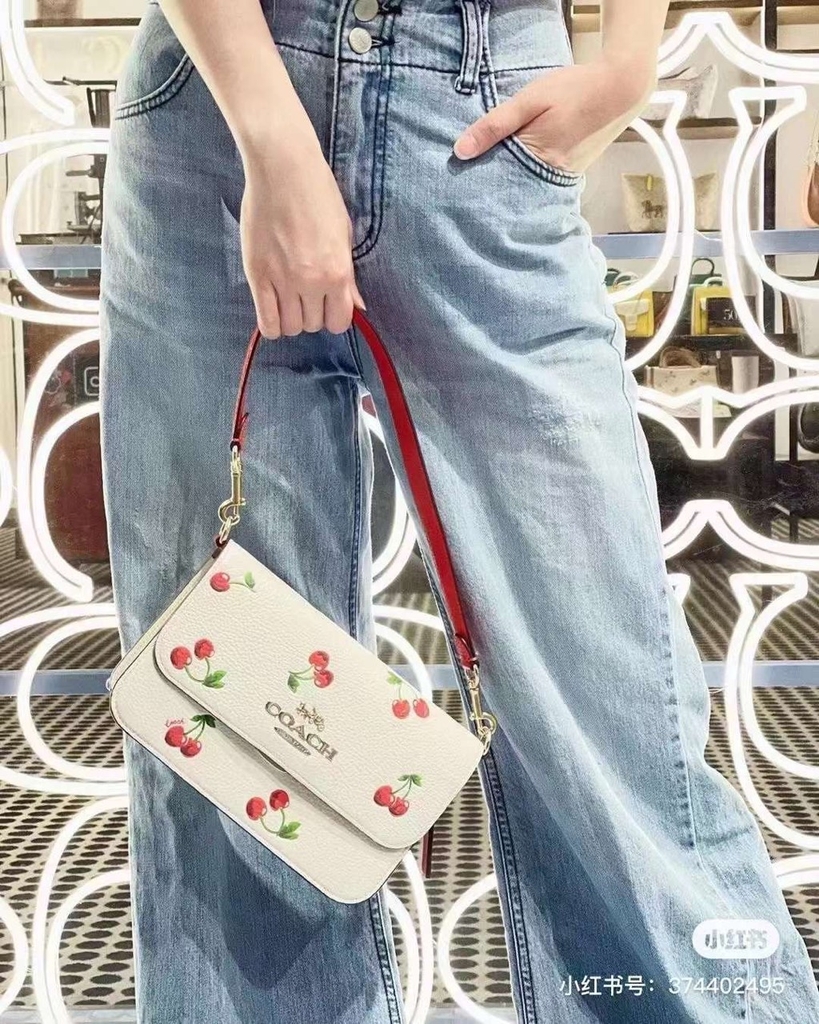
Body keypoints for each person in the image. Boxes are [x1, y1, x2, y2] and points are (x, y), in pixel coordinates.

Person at [97, 0, 819, 1020]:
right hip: (215, 110)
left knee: (603, 702)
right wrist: (272, 136)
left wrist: (628, 61)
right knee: (234, 707)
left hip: (480, 106)